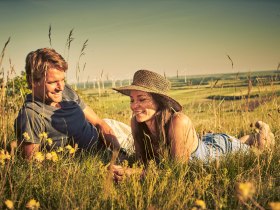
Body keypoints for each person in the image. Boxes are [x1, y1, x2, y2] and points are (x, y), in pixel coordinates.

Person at [109, 69, 275, 180]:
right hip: (207, 140)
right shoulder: (137, 122)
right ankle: (248, 138)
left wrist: (136, 175)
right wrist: (121, 168)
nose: (134, 106)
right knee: (240, 141)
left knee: (259, 150)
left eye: (142, 99)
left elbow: (176, 172)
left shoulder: (178, 121)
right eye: (132, 100)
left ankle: (263, 130)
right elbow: (142, 164)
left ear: (159, 102)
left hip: (219, 150)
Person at [14, 48, 133, 160]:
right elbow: (32, 164)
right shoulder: (31, 114)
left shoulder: (66, 91)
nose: (60, 87)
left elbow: (98, 122)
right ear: (32, 81)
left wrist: (119, 154)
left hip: (111, 137)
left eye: (62, 80)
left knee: (146, 137)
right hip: (95, 157)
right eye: (53, 82)